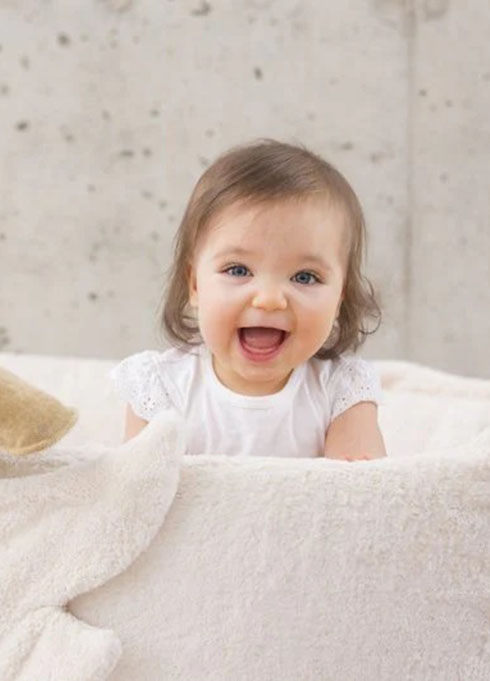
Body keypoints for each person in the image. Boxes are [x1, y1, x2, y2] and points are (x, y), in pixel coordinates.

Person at [111, 140, 386, 460]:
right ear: (196, 285)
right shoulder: (161, 389)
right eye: (238, 270)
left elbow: (361, 497)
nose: (269, 300)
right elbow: (140, 493)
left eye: (305, 277)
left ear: (339, 297)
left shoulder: (341, 390)